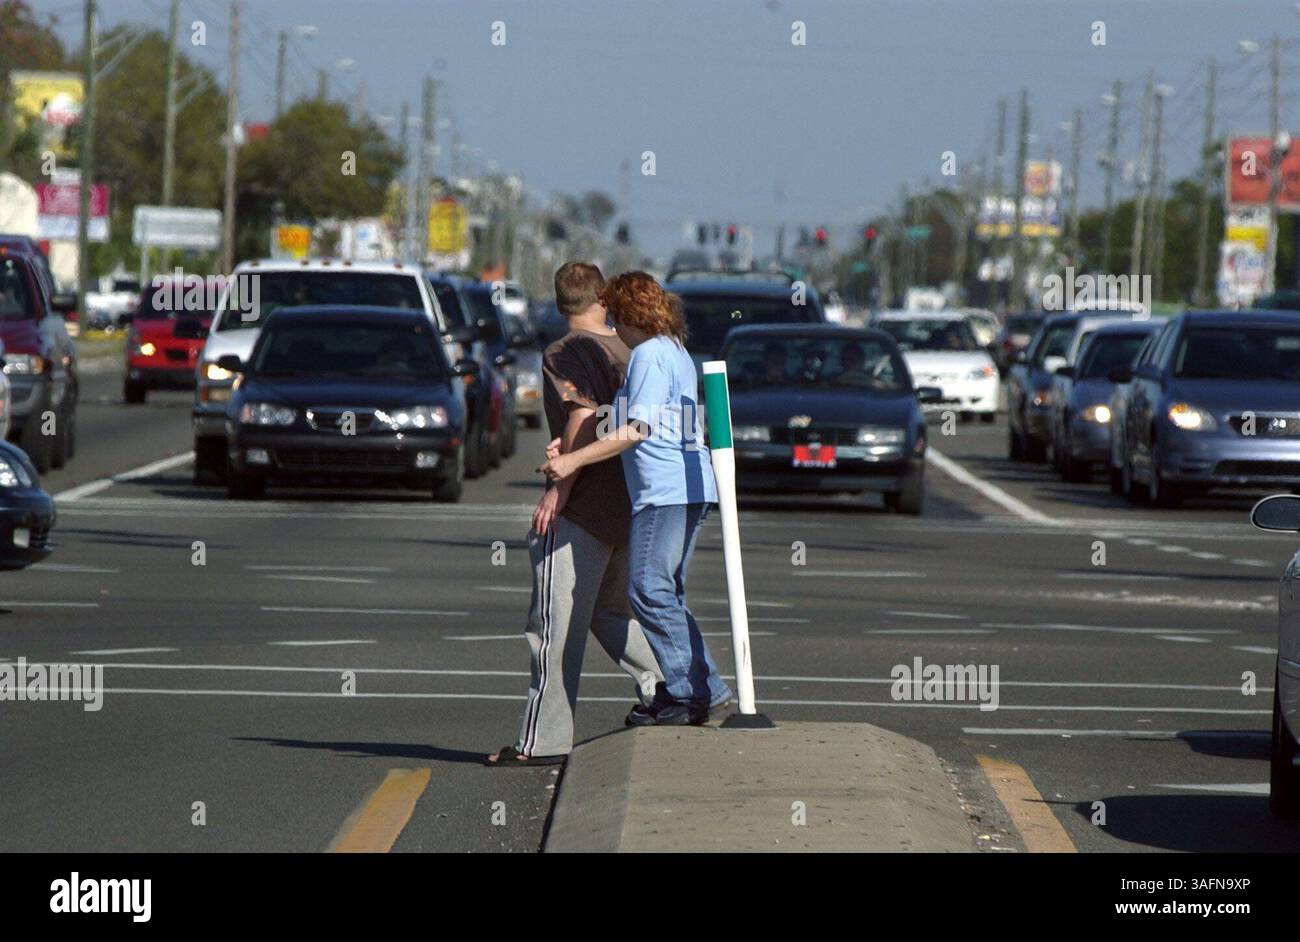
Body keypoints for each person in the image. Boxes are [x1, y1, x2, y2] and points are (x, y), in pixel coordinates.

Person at [487, 262, 664, 767]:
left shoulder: (564, 352)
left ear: (561, 302)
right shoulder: (630, 351)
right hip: (632, 501)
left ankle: (542, 741)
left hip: (585, 507)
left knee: (553, 628)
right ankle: (675, 690)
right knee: (612, 614)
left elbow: (582, 416)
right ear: (602, 298)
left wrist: (556, 493)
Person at [541, 272, 733, 726]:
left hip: (663, 490)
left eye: (615, 315)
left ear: (630, 315)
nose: (612, 325)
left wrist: (573, 462)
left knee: (647, 589)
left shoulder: (646, 354)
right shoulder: (675, 351)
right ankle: (699, 686)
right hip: (690, 486)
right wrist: (569, 445)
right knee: (669, 591)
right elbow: (640, 418)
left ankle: (691, 692)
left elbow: (639, 428)